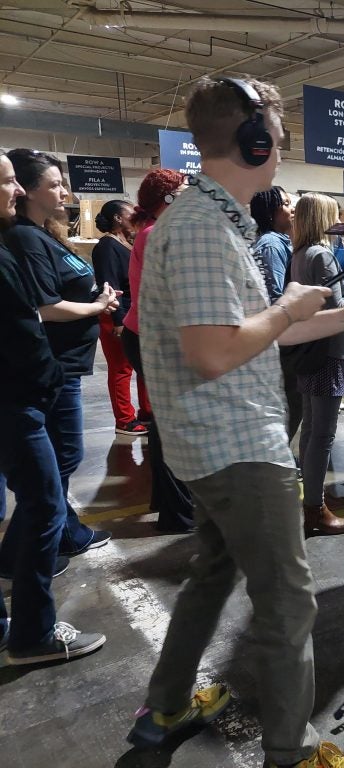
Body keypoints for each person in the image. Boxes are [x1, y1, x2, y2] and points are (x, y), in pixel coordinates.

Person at [125, 75, 344, 768]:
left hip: (209, 443)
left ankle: (166, 707)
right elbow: (215, 352)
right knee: (289, 605)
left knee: (213, 572)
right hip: (237, 444)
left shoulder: (214, 219)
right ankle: (290, 754)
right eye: (277, 133)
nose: (281, 147)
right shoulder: (207, 228)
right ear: (255, 141)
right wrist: (292, 309)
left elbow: (251, 332)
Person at [0, 148, 106, 665]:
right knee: (45, 498)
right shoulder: (19, 240)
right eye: (9, 183)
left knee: (47, 491)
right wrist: (98, 306)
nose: (16, 191)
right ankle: (32, 634)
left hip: (35, 388)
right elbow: (34, 317)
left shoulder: (28, 238)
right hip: (29, 392)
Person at [121, 168, 196, 533]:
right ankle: (177, 514)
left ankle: (168, 503)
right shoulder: (156, 235)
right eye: (183, 189)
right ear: (167, 198)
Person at [289, 193, 344, 537]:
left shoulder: (299, 253)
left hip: (308, 350)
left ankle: (314, 498)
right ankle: (315, 508)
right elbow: (337, 305)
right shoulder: (323, 255)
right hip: (329, 351)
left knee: (311, 429)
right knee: (322, 434)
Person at [92, 199, 151, 435]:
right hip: (117, 316)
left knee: (141, 365)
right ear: (117, 217)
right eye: (130, 213)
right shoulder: (106, 246)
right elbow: (109, 285)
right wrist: (118, 321)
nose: (135, 216)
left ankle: (146, 411)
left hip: (132, 315)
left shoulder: (126, 243)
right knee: (121, 368)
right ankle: (124, 419)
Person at [251, 186, 303, 442]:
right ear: (271, 212)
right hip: (282, 340)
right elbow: (275, 296)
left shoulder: (277, 241)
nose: (291, 208)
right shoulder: (271, 245)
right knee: (290, 403)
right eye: (285, 203)